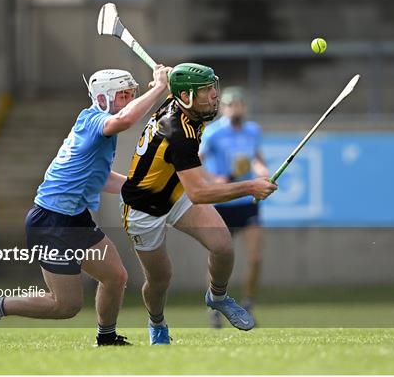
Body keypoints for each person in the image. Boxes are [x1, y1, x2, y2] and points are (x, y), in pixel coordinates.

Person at [0, 64, 171, 350]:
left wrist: (140, 186)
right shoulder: (94, 120)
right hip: (51, 221)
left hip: (75, 218)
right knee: (65, 305)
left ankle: (106, 337)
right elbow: (125, 121)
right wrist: (161, 88)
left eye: (130, 94)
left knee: (115, 277)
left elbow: (99, 178)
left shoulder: (100, 127)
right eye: (122, 95)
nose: (127, 100)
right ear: (102, 98)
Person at [119, 63, 277, 345]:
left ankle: (217, 297)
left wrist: (162, 78)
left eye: (212, 87)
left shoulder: (178, 101)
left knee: (223, 246)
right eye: (206, 91)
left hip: (175, 194)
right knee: (160, 279)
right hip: (145, 209)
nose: (214, 95)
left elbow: (168, 85)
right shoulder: (179, 134)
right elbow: (201, 194)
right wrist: (251, 186)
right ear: (187, 97)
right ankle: (157, 324)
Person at [199, 86, 269, 328]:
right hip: (222, 203)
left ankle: (248, 304)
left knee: (256, 257)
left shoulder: (253, 131)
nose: (233, 108)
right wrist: (212, 179)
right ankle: (215, 306)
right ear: (223, 108)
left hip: (247, 202)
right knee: (219, 259)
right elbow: (196, 163)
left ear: (244, 107)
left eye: (237, 104)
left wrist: (263, 172)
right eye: (229, 105)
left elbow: (257, 159)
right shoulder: (213, 133)